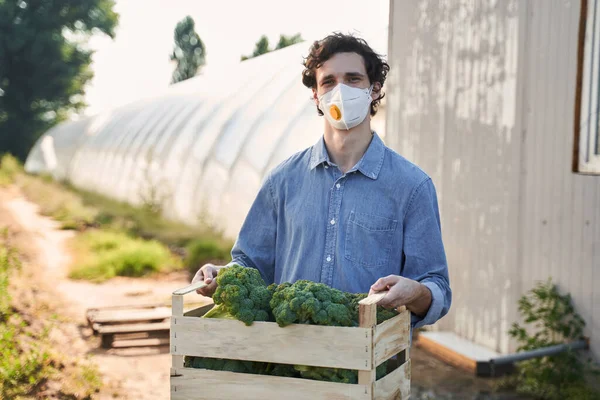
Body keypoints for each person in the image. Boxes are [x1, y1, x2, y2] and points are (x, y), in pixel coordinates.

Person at [192, 33, 451, 328]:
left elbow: (436, 286)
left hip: (371, 362)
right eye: (328, 81)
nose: (340, 90)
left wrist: (416, 291)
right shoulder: (282, 182)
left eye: (353, 79)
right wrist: (220, 273)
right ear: (316, 95)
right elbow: (251, 264)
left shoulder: (412, 187)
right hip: (287, 359)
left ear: (374, 89)